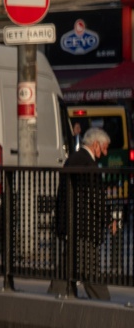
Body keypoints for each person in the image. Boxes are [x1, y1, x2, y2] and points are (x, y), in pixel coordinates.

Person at [58, 127, 113, 301]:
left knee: (67, 269)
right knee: (90, 270)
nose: (104, 153)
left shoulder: (72, 159)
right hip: (84, 227)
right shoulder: (89, 164)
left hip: (71, 223)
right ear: (95, 144)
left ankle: (56, 297)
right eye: (104, 148)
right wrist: (108, 220)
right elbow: (95, 197)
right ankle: (104, 304)